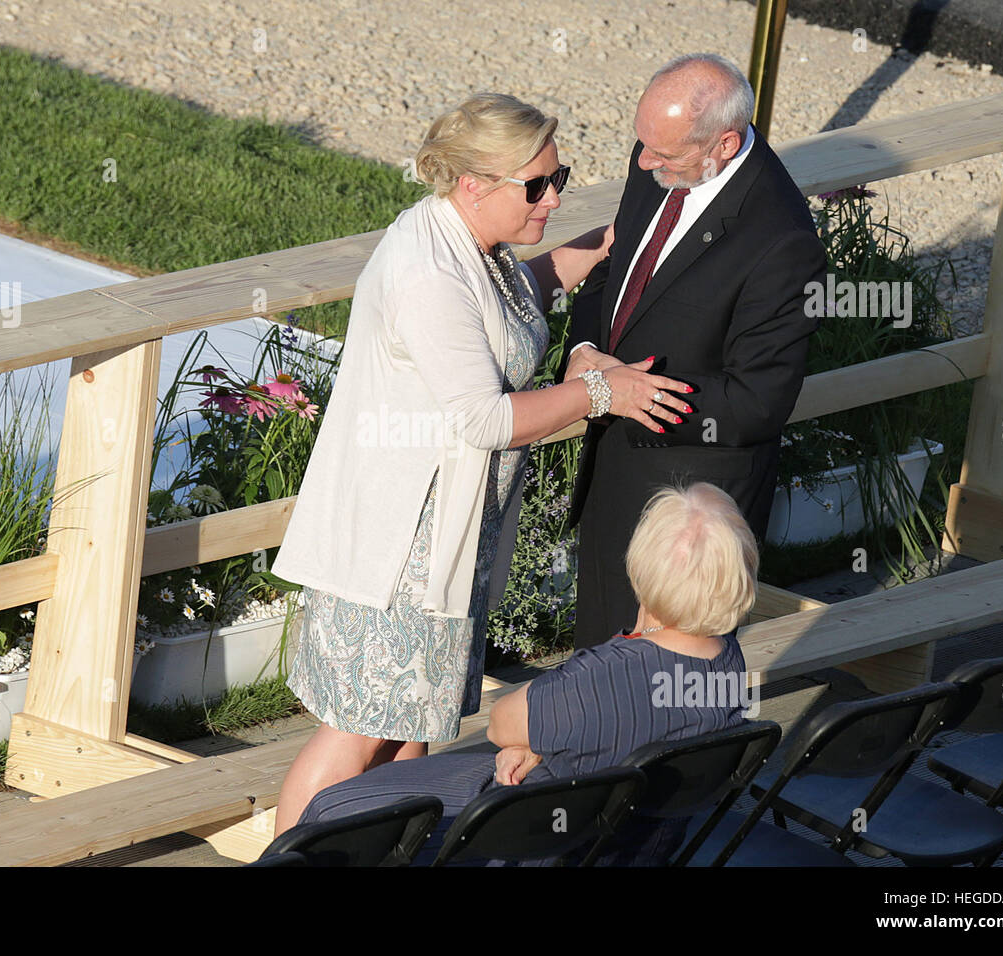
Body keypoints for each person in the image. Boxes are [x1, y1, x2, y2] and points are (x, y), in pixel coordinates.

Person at [269, 92, 692, 836]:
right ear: (473, 184)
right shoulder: (429, 271)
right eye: (537, 186)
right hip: (399, 544)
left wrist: (593, 249)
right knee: (358, 732)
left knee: (409, 736)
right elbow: (486, 418)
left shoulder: (474, 248)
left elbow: (508, 308)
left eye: (560, 177)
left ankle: (388, 856)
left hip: (444, 539)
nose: (554, 197)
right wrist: (600, 391)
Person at [289, 482, 758, 866]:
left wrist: (535, 734)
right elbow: (616, 727)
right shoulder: (728, 666)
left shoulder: (609, 677)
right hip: (633, 843)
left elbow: (501, 721)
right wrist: (543, 740)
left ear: (645, 563)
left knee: (334, 815)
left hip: (535, 841)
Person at [561, 52, 828, 650]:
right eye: (642, 145)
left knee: (670, 699)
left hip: (692, 510)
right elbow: (614, 270)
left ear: (725, 144)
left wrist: (635, 394)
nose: (644, 162)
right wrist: (582, 350)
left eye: (664, 154)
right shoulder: (663, 157)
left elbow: (759, 400)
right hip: (615, 472)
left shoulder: (783, 242)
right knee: (596, 670)